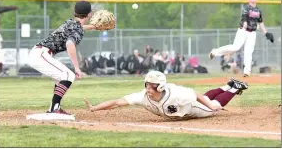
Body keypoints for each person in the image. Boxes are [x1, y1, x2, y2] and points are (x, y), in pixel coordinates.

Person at [84, 71, 248, 120]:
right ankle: (228, 85)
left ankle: (234, 88)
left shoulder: (175, 94)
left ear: (160, 86)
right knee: (207, 97)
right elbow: (118, 102)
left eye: (151, 85)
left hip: (190, 108)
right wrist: (94, 108)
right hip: (184, 106)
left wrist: (210, 106)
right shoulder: (142, 96)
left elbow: (195, 94)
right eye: (146, 84)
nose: (148, 87)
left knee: (214, 106)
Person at [29, 1, 97, 115]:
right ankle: (54, 108)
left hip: (39, 53)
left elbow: (79, 28)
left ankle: (54, 107)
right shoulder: (77, 29)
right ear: (89, 14)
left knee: (61, 78)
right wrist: (77, 67)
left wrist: (94, 27)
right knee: (68, 75)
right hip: (41, 54)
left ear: (75, 13)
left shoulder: (71, 22)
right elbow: (70, 44)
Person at [208, 0, 274, 77]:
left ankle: (247, 71)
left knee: (249, 51)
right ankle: (215, 52)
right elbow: (244, 16)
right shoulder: (246, 7)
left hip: (252, 33)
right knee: (235, 47)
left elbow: (260, 22)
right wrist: (245, 23)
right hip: (243, 31)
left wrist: (266, 33)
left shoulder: (258, 10)